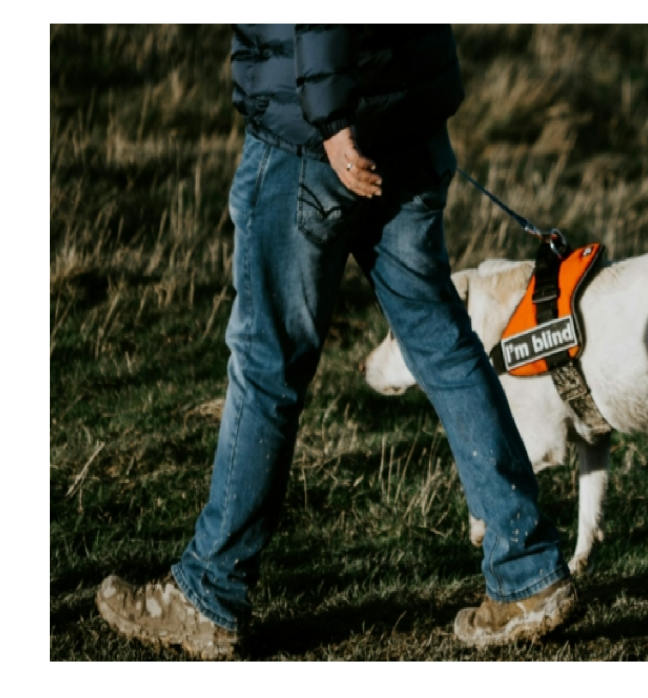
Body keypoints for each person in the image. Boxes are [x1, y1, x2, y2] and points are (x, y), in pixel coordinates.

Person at [95, 24, 576, 658]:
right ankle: (527, 572)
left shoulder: (323, 123)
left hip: (313, 136)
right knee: (445, 345)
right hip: (406, 121)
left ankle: (209, 594)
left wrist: (331, 118)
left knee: (268, 366)